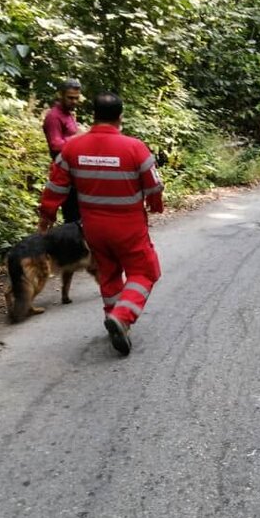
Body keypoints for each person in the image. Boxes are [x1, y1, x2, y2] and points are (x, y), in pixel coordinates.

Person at [38, 92, 164, 355]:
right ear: (120, 116)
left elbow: (55, 187)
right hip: (128, 226)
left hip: (92, 228)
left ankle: (114, 317)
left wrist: (47, 216)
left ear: (93, 115)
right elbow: (153, 185)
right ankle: (123, 316)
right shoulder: (135, 147)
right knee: (145, 271)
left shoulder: (72, 147)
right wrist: (155, 205)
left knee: (108, 271)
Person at [42, 78, 83, 223]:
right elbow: (55, 144)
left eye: (76, 98)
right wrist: (77, 138)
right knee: (72, 217)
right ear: (61, 95)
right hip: (64, 174)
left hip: (76, 173)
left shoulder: (69, 114)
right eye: (70, 98)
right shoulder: (54, 116)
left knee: (81, 216)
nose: (74, 101)